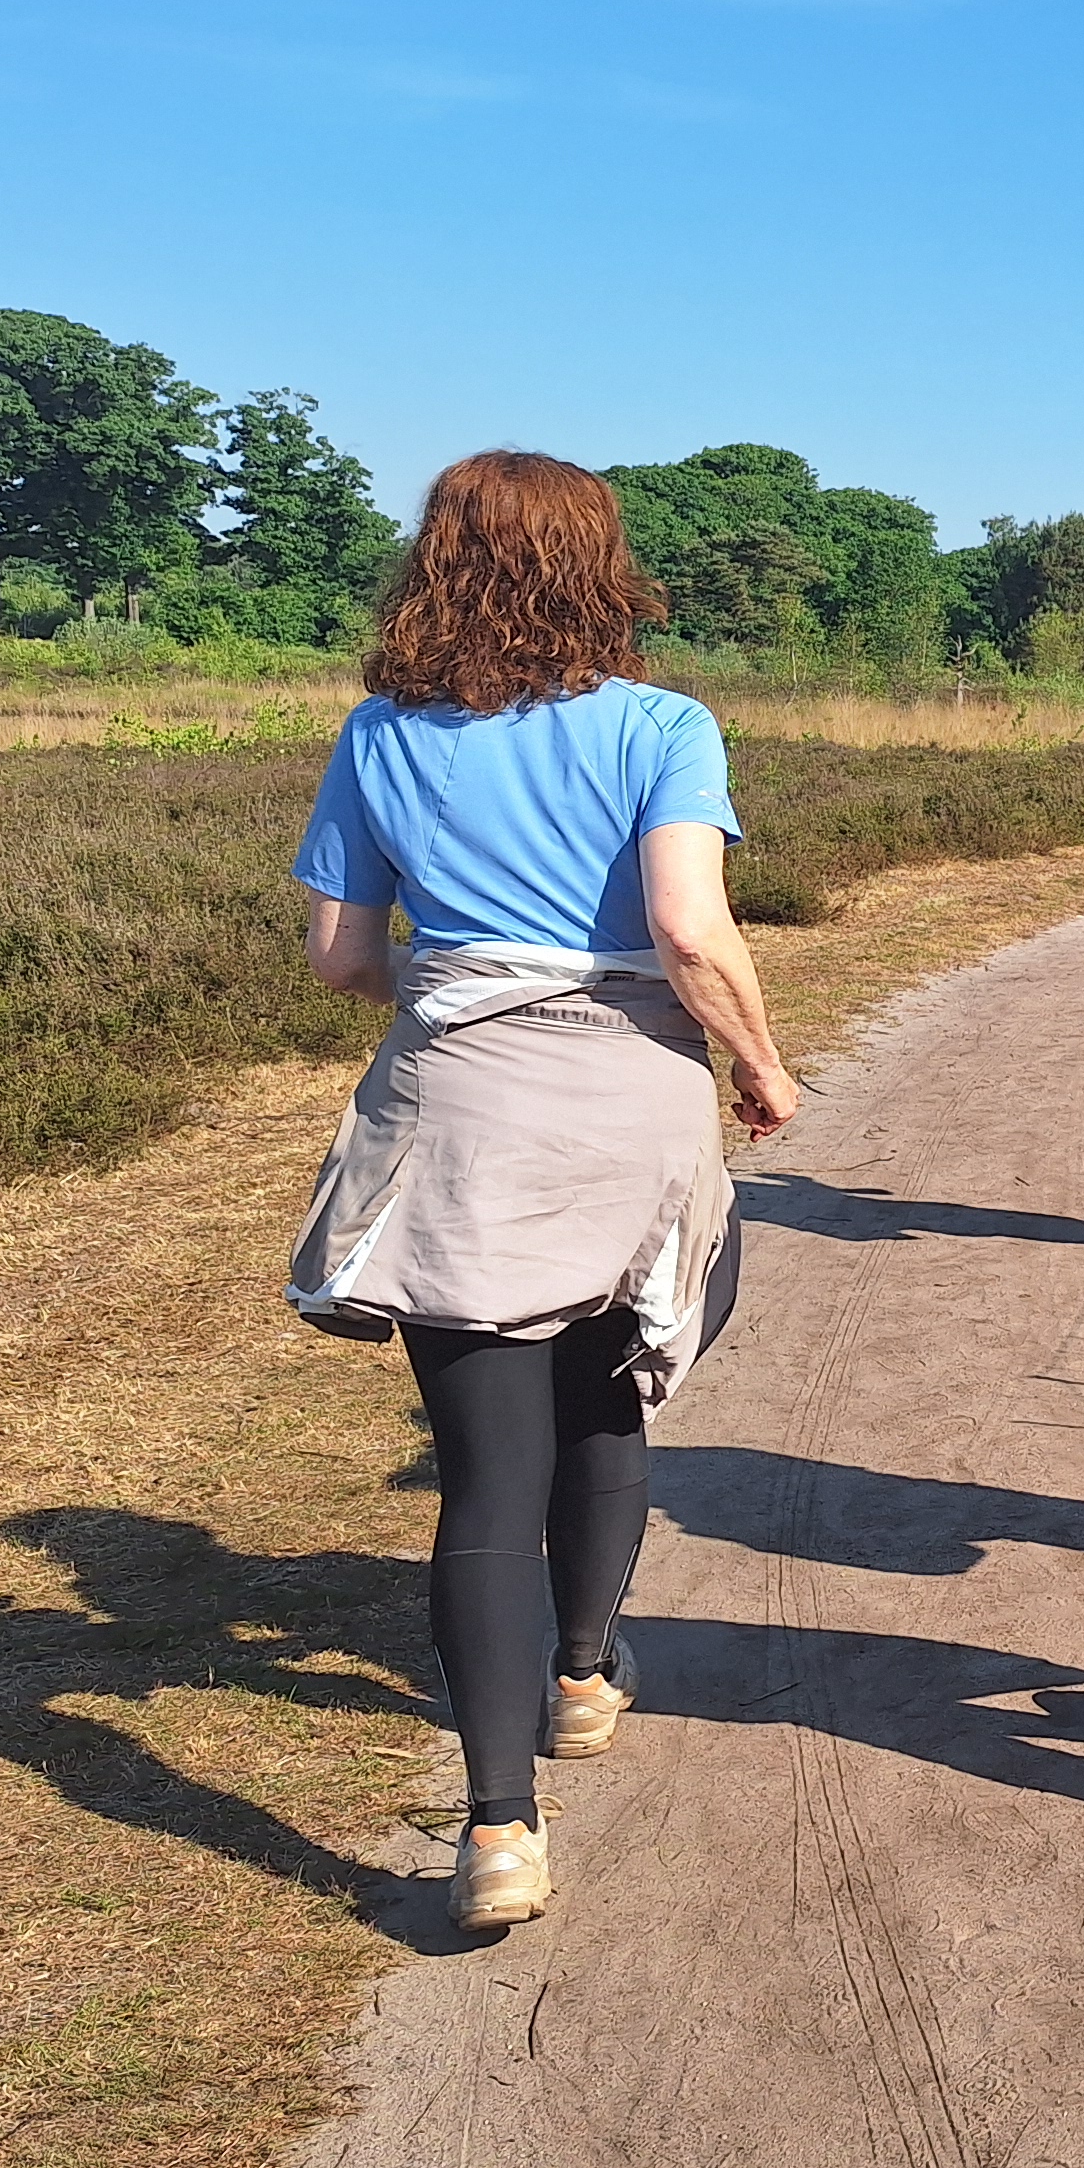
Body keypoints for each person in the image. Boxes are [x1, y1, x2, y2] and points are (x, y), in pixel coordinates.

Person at [286, 451, 799, 1935]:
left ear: (436, 562)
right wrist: (760, 1068)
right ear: (600, 567)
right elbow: (690, 935)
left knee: (482, 1488)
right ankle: (585, 1671)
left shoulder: (380, 734)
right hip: (629, 1105)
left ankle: (498, 1829)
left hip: (460, 1111)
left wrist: (448, 995)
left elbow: (339, 956)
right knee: (607, 1398)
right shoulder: (662, 726)